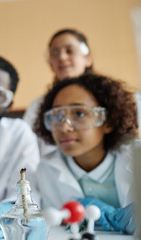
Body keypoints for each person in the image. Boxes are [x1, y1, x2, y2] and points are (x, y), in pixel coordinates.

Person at [34, 73, 138, 234]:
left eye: (79, 114)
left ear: (108, 121)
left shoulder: (135, 157)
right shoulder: (45, 170)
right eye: (57, 116)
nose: (65, 127)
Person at [23, 28, 93, 127]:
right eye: (55, 53)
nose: (62, 57)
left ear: (87, 59)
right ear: (51, 65)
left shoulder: (104, 97)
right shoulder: (38, 105)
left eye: (69, 51)